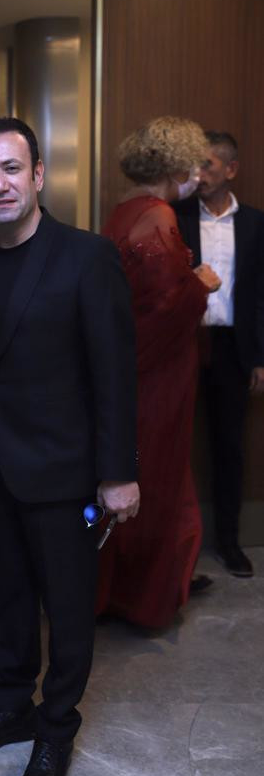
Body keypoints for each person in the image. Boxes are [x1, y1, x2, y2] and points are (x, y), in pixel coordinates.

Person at [0, 117, 139, 776]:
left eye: (11, 168)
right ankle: (12, 706)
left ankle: (56, 727)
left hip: (65, 472)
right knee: (7, 596)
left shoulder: (86, 257)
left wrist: (119, 472)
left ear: (37, 175)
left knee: (67, 606)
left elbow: (115, 372)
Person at [96, 117, 220, 629]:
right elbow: (165, 306)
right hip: (157, 376)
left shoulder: (123, 211)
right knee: (155, 479)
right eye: (194, 164)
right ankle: (144, 597)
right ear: (175, 166)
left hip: (131, 371)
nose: (198, 174)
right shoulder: (158, 214)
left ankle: (114, 589)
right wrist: (202, 284)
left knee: (132, 476)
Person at [173, 131, 264, 579]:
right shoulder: (175, 217)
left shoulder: (255, 224)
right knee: (173, 445)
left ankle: (229, 543)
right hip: (184, 344)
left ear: (231, 170)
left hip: (232, 348)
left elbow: (261, 295)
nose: (199, 174)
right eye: (193, 165)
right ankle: (172, 553)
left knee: (229, 448)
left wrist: (260, 357)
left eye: (207, 164)